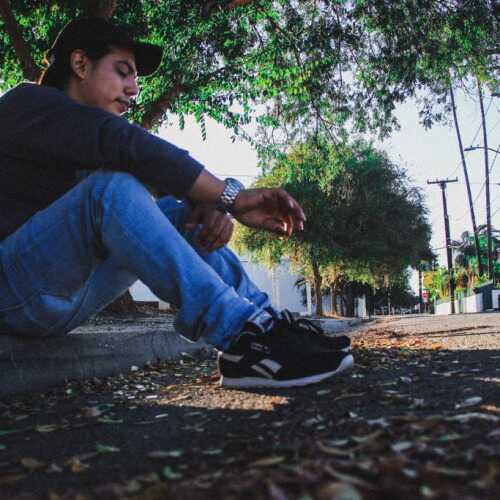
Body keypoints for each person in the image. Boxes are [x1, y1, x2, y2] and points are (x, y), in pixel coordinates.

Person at [0, 18, 353, 388]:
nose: (134, 89)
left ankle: (267, 327)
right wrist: (231, 197)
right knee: (111, 189)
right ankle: (240, 337)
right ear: (80, 64)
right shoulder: (28, 104)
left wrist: (208, 204)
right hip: (10, 292)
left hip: (58, 301)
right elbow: (128, 145)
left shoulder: (89, 138)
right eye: (123, 72)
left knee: (178, 213)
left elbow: (163, 186)